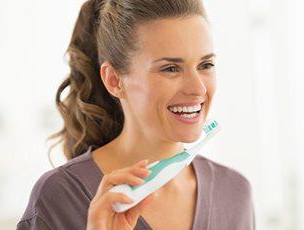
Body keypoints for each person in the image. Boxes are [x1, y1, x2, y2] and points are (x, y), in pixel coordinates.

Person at [16, 0, 255, 229]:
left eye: (206, 65)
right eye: (171, 68)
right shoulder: (60, 198)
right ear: (114, 80)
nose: (198, 89)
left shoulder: (234, 192)